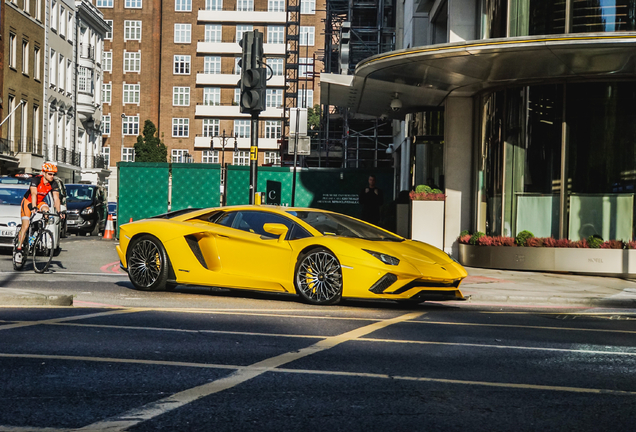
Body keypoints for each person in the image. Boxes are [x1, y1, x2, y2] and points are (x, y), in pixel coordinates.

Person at [14, 163, 65, 264]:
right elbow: (34, 194)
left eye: (54, 174)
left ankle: (39, 232)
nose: (52, 176)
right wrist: (33, 207)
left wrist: (59, 211)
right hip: (28, 202)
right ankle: (18, 250)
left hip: (40, 202)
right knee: (26, 225)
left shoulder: (53, 183)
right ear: (44, 173)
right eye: (50, 174)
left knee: (47, 210)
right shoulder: (36, 180)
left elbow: (56, 199)